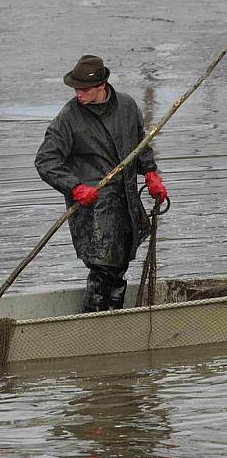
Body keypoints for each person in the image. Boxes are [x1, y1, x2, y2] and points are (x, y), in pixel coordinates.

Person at [35, 54, 169, 313]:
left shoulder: (128, 107)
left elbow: (140, 144)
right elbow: (45, 160)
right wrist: (74, 187)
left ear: (102, 86)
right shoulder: (69, 118)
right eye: (76, 89)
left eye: (84, 89)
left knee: (118, 268)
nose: (79, 94)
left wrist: (151, 174)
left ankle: (112, 320)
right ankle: (95, 322)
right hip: (93, 209)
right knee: (103, 269)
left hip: (127, 202)